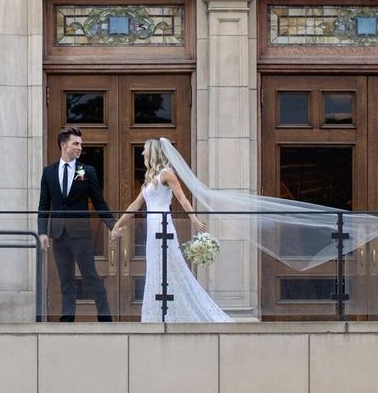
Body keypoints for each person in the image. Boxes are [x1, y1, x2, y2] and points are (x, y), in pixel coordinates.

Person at [110, 139, 232, 323]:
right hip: (151, 226)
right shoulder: (150, 177)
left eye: (145, 150)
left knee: (169, 267)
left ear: (153, 152)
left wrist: (194, 219)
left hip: (162, 224)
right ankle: (157, 315)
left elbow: (182, 199)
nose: (142, 153)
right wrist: (117, 225)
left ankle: (169, 314)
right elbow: (136, 204)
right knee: (155, 267)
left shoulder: (166, 174)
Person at [38, 126, 116, 321]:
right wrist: (42, 232)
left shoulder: (86, 171)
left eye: (80, 144)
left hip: (80, 234)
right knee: (66, 280)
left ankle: (105, 318)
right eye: (76, 143)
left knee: (91, 276)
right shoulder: (49, 172)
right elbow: (43, 205)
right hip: (58, 233)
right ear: (64, 146)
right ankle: (67, 320)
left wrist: (113, 225)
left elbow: (99, 202)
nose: (80, 147)